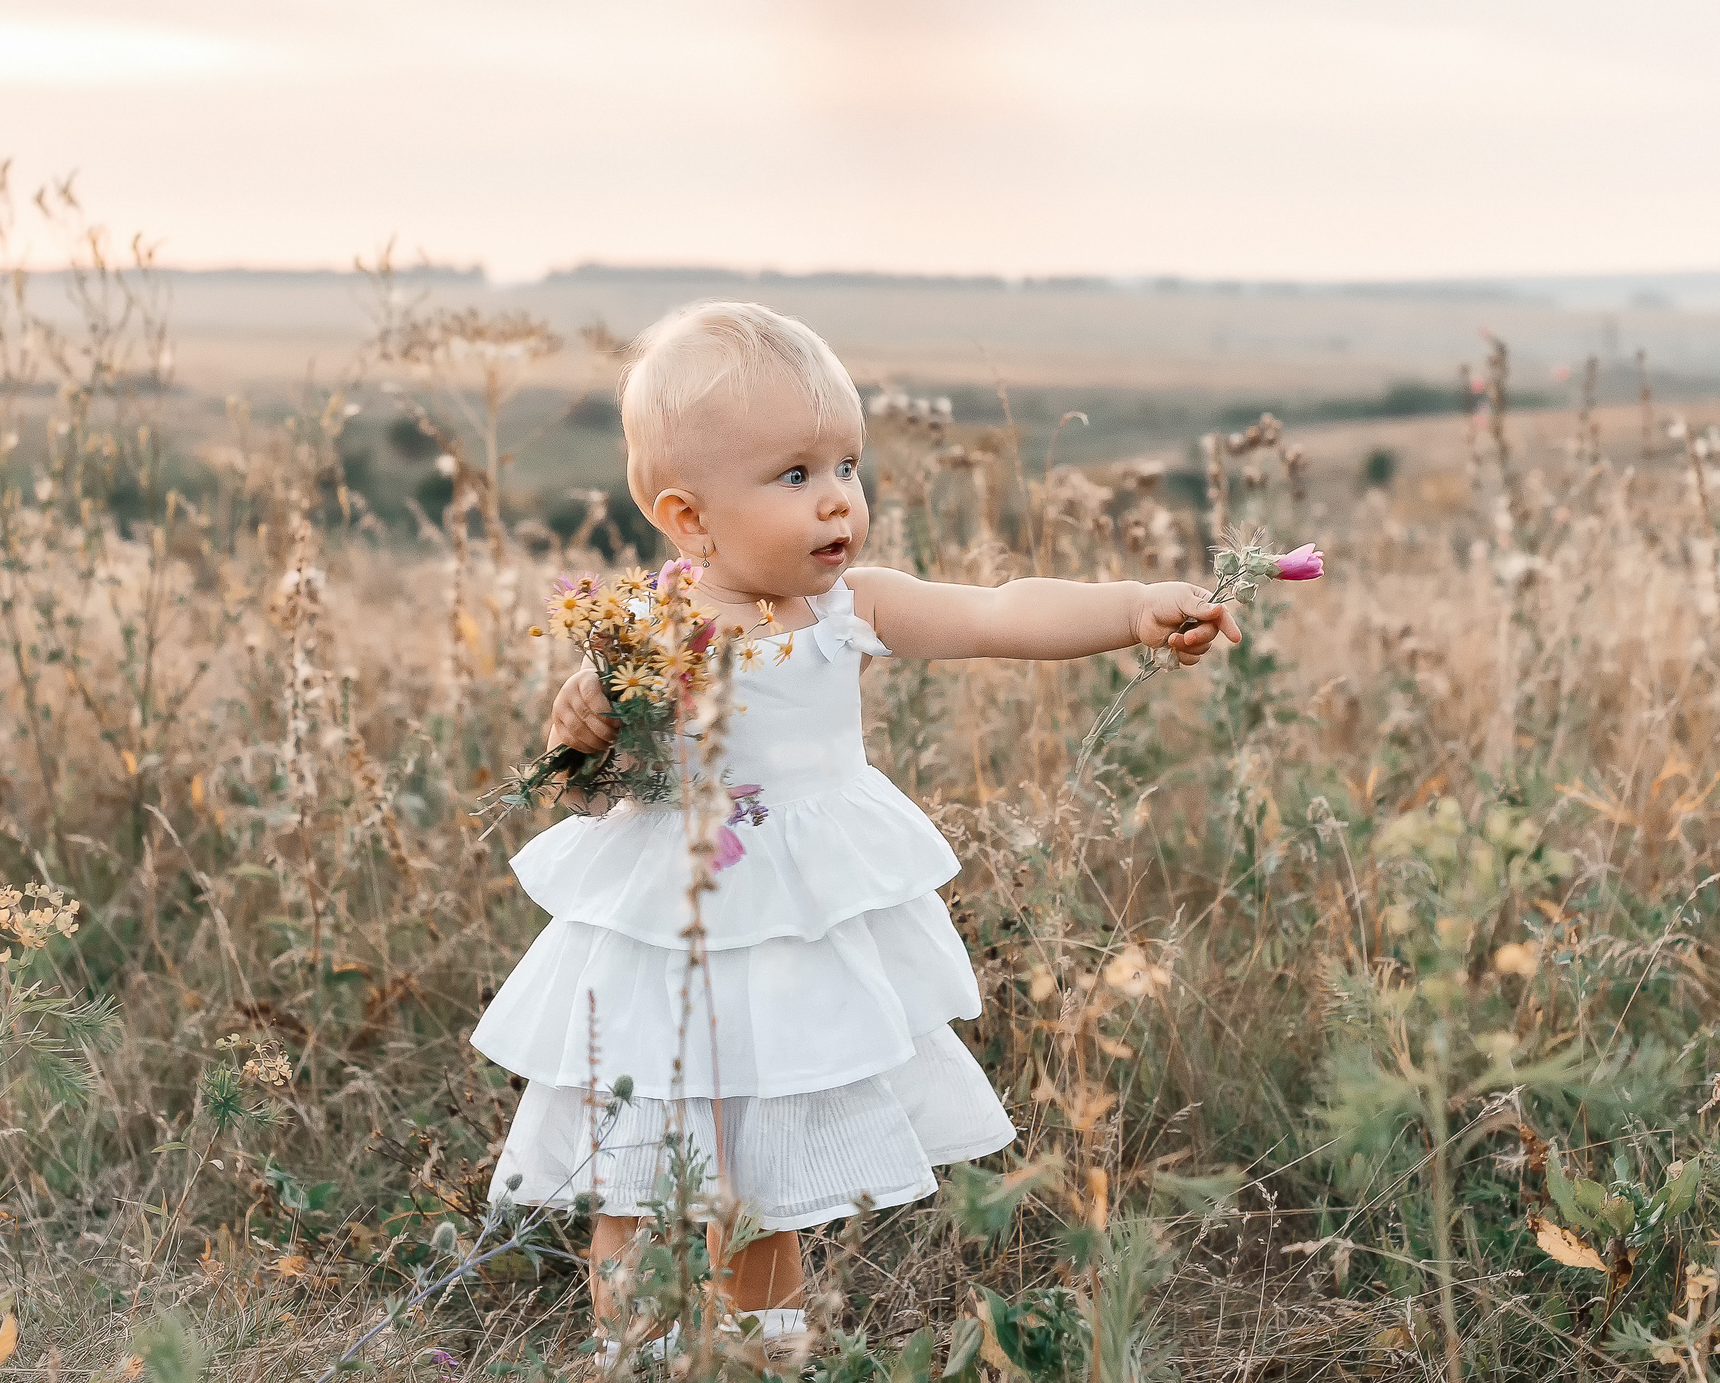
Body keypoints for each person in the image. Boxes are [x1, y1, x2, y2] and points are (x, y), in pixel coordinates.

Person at [469, 301, 1245, 1366]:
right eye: (793, 475)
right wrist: (585, 719)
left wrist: (1132, 605)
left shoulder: (850, 608)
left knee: (766, 1175)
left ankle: (765, 1351)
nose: (838, 497)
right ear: (688, 518)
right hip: (670, 939)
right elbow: (593, 762)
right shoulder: (650, 631)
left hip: (796, 937)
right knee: (639, 1169)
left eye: (846, 463)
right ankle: (633, 1354)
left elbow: (999, 612)